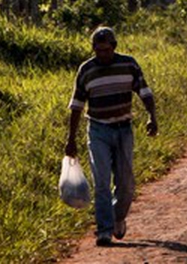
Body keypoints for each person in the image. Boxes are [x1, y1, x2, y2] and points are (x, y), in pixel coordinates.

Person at [64, 26, 159, 246]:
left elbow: (144, 92)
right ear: (93, 49)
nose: (103, 55)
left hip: (123, 128)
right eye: (98, 50)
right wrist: (71, 139)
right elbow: (77, 105)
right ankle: (104, 230)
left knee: (126, 183)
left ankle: (118, 217)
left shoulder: (128, 65)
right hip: (98, 130)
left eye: (106, 50)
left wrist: (152, 117)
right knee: (102, 182)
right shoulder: (86, 70)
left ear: (114, 47)